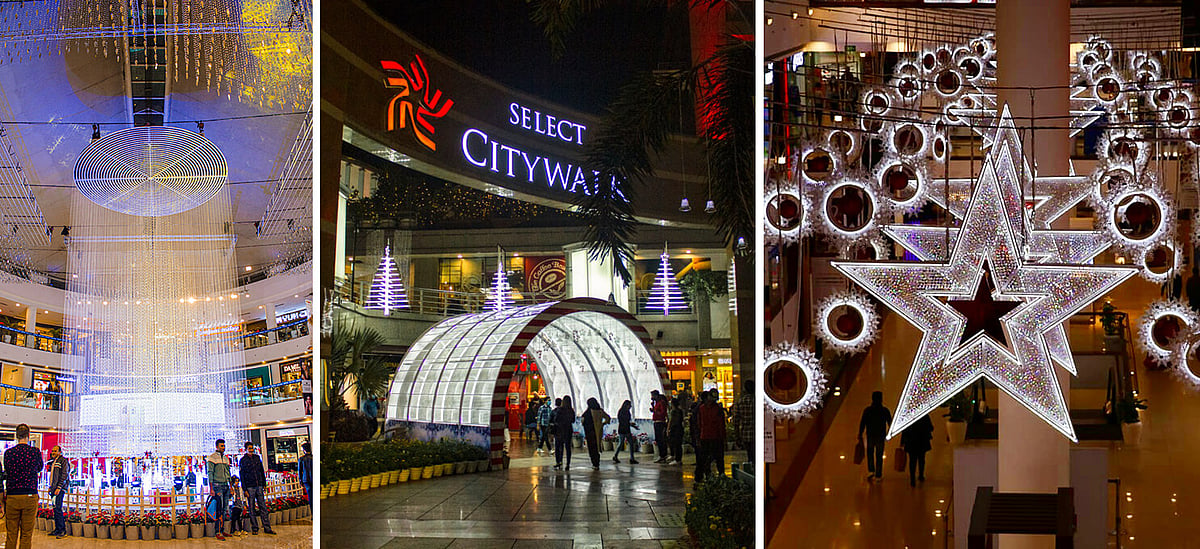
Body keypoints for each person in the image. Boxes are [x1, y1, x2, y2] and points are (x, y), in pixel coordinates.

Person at [4, 424, 43, 549]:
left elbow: (7, 470)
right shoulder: (35, 452)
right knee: (26, 534)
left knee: (11, 533)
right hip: (30, 495)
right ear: (28, 435)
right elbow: (39, 468)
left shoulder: (9, 453)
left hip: (12, 496)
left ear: (16, 436)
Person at [239, 441, 276, 535]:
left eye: (252, 448)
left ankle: (267, 527)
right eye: (249, 448)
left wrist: (264, 483)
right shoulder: (243, 460)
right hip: (250, 486)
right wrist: (244, 489)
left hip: (258, 485)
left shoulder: (257, 458)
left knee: (263, 507)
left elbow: (261, 471)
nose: (251, 450)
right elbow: (242, 475)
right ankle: (255, 528)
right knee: (252, 508)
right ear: (246, 449)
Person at [858, 391, 893, 481]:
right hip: (880, 435)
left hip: (870, 434)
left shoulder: (867, 410)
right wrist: (890, 432)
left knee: (870, 453)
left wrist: (860, 433)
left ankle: (871, 470)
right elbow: (890, 422)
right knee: (879, 454)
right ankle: (878, 474)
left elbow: (863, 423)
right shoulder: (885, 410)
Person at [695, 390, 726, 481]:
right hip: (715, 436)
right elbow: (721, 425)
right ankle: (720, 474)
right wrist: (723, 437)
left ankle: (702, 476)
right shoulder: (717, 409)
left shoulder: (701, 408)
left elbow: (699, 423)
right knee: (718, 457)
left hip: (705, 436)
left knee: (704, 458)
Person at [206, 438, 233, 540]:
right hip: (217, 486)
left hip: (225, 485)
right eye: (221, 446)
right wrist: (211, 488)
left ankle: (223, 530)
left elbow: (228, 473)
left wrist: (231, 486)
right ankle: (217, 531)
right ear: (217, 447)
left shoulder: (226, 458)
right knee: (219, 508)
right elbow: (210, 473)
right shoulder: (212, 458)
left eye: (224, 446)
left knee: (225, 508)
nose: (223, 447)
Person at [900, 414, 935, 487]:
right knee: (921, 459)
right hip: (922, 441)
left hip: (911, 441)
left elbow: (904, 430)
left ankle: (912, 479)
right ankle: (921, 475)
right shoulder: (924, 415)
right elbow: (930, 428)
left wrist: (902, 442)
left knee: (912, 460)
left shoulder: (908, 416)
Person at [580, 397, 610, 470]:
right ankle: (597, 462)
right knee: (597, 447)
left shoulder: (587, 412)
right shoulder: (600, 411)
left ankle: (594, 463)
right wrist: (602, 424)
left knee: (592, 448)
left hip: (590, 433)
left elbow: (583, 421)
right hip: (598, 432)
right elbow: (608, 418)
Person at [48, 445, 71, 538]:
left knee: (58, 508)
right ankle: (57, 529)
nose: (53, 452)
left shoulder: (63, 461)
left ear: (60, 452)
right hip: (54, 488)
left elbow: (64, 475)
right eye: (52, 451)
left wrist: (59, 487)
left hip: (59, 489)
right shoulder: (54, 461)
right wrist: (51, 487)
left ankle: (62, 530)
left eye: (55, 451)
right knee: (55, 508)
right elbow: (53, 476)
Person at [730, 380, 755, 464]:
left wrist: (737, 437)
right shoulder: (757, 401)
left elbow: (736, 421)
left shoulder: (740, 402)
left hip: (745, 432)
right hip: (757, 432)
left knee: (750, 454)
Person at [612, 400, 638, 464]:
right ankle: (631, 458)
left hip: (623, 429)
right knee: (630, 443)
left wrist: (630, 425)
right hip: (625, 430)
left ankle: (616, 456)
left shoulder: (622, 411)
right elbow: (624, 421)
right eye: (629, 405)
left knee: (621, 443)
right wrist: (631, 425)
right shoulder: (624, 412)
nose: (630, 407)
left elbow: (624, 421)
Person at [553, 395, 575, 470]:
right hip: (568, 430)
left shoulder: (560, 410)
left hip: (559, 430)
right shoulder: (571, 410)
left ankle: (559, 461)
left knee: (559, 446)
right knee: (568, 447)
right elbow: (573, 420)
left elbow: (556, 420)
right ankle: (568, 463)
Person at [650, 390, 669, 463]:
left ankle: (663, 455)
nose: (651, 397)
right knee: (658, 439)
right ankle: (662, 455)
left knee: (661, 439)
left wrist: (655, 411)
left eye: (652, 396)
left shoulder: (661, 403)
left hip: (660, 422)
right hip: (657, 422)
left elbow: (663, 413)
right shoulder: (657, 403)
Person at [667, 397, 685, 465]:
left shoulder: (674, 411)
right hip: (679, 428)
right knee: (678, 444)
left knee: (676, 444)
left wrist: (668, 429)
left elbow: (671, 421)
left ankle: (677, 459)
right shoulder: (680, 411)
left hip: (675, 429)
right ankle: (678, 459)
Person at [298, 442, 313, 508]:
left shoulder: (301, 459)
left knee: (310, 496)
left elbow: (299, 471)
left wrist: (300, 480)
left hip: (306, 479)